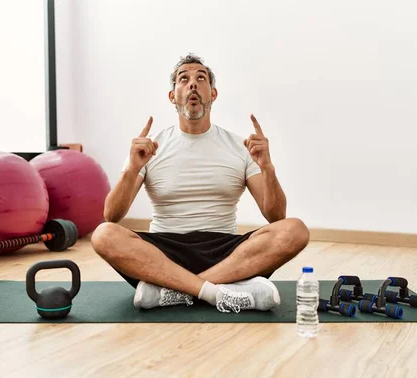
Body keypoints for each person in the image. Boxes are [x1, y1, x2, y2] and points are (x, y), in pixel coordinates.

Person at [91, 53, 310, 313]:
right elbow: (111, 215)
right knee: (103, 234)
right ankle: (217, 291)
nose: (192, 84)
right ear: (172, 96)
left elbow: (277, 216)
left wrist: (267, 167)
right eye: (183, 79)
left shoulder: (240, 147)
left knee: (295, 230)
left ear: (213, 94)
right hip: (164, 251)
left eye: (200, 78)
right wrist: (132, 168)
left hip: (226, 252)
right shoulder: (150, 147)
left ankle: (174, 291)